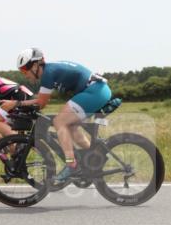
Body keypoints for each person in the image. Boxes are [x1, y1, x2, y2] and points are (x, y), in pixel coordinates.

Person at [13, 47, 111, 182]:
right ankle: (93, 157)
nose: (25, 74)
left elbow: (41, 103)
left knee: (59, 122)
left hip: (94, 92)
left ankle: (71, 165)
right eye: (21, 71)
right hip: (98, 90)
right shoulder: (50, 70)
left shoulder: (48, 73)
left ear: (36, 65)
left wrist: (16, 104)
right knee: (70, 126)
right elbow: (41, 99)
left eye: (25, 70)